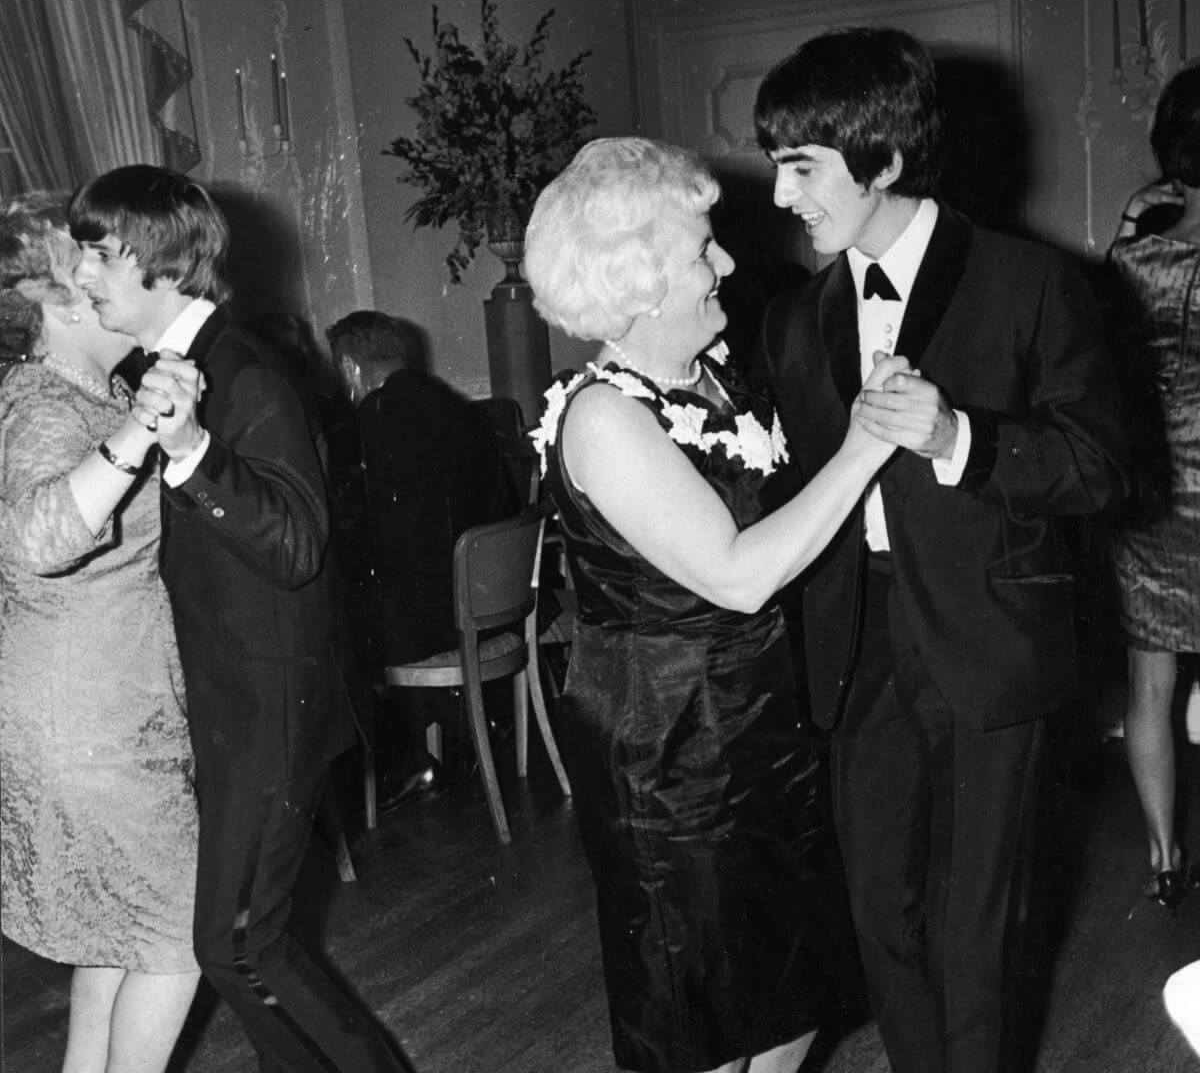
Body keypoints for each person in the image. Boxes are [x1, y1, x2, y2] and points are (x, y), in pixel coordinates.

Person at [753, 27, 1130, 1073]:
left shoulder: (1034, 284)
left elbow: (1101, 467)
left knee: (977, 931)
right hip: (857, 647)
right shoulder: (794, 320)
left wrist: (960, 437)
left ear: (879, 160)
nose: (782, 196)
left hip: (988, 645)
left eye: (801, 166)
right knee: (880, 915)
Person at [524, 136, 908, 1073]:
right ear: (640, 278)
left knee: (789, 993)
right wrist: (868, 445)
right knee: (701, 1017)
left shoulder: (717, 377)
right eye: (702, 249)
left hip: (758, 729)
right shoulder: (604, 415)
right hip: (669, 758)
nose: (727, 261)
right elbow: (737, 574)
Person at [68, 165, 405, 1073]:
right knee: (242, 943)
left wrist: (191, 452)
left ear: (159, 259)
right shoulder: (179, 368)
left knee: (242, 943)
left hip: (270, 705)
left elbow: (297, 546)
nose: (82, 274)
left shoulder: (245, 374)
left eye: (97, 253)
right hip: (231, 704)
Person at [0, 193, 199, 1072]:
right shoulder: (44, 403)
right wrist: (134, 435)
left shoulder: (90, 388)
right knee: (179, 935)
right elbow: (38, 540)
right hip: (88, 724)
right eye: (102, 264)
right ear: (59, 300)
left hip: (105, 707)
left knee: (113, 942)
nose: (123, 278)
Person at [326, 310, 518, 806]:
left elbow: (386, 534)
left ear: (349, 368)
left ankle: (409, 764)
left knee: (336, 624)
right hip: (492, 596)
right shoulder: (452, 405)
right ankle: (474, 720)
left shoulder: (380, 412)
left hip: (444, 613)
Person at [1108, 62, 1200, 912]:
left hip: (1154, 492)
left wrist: (1139, 215)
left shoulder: (1130, 262)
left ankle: (1165, 858)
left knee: (1150, 684)